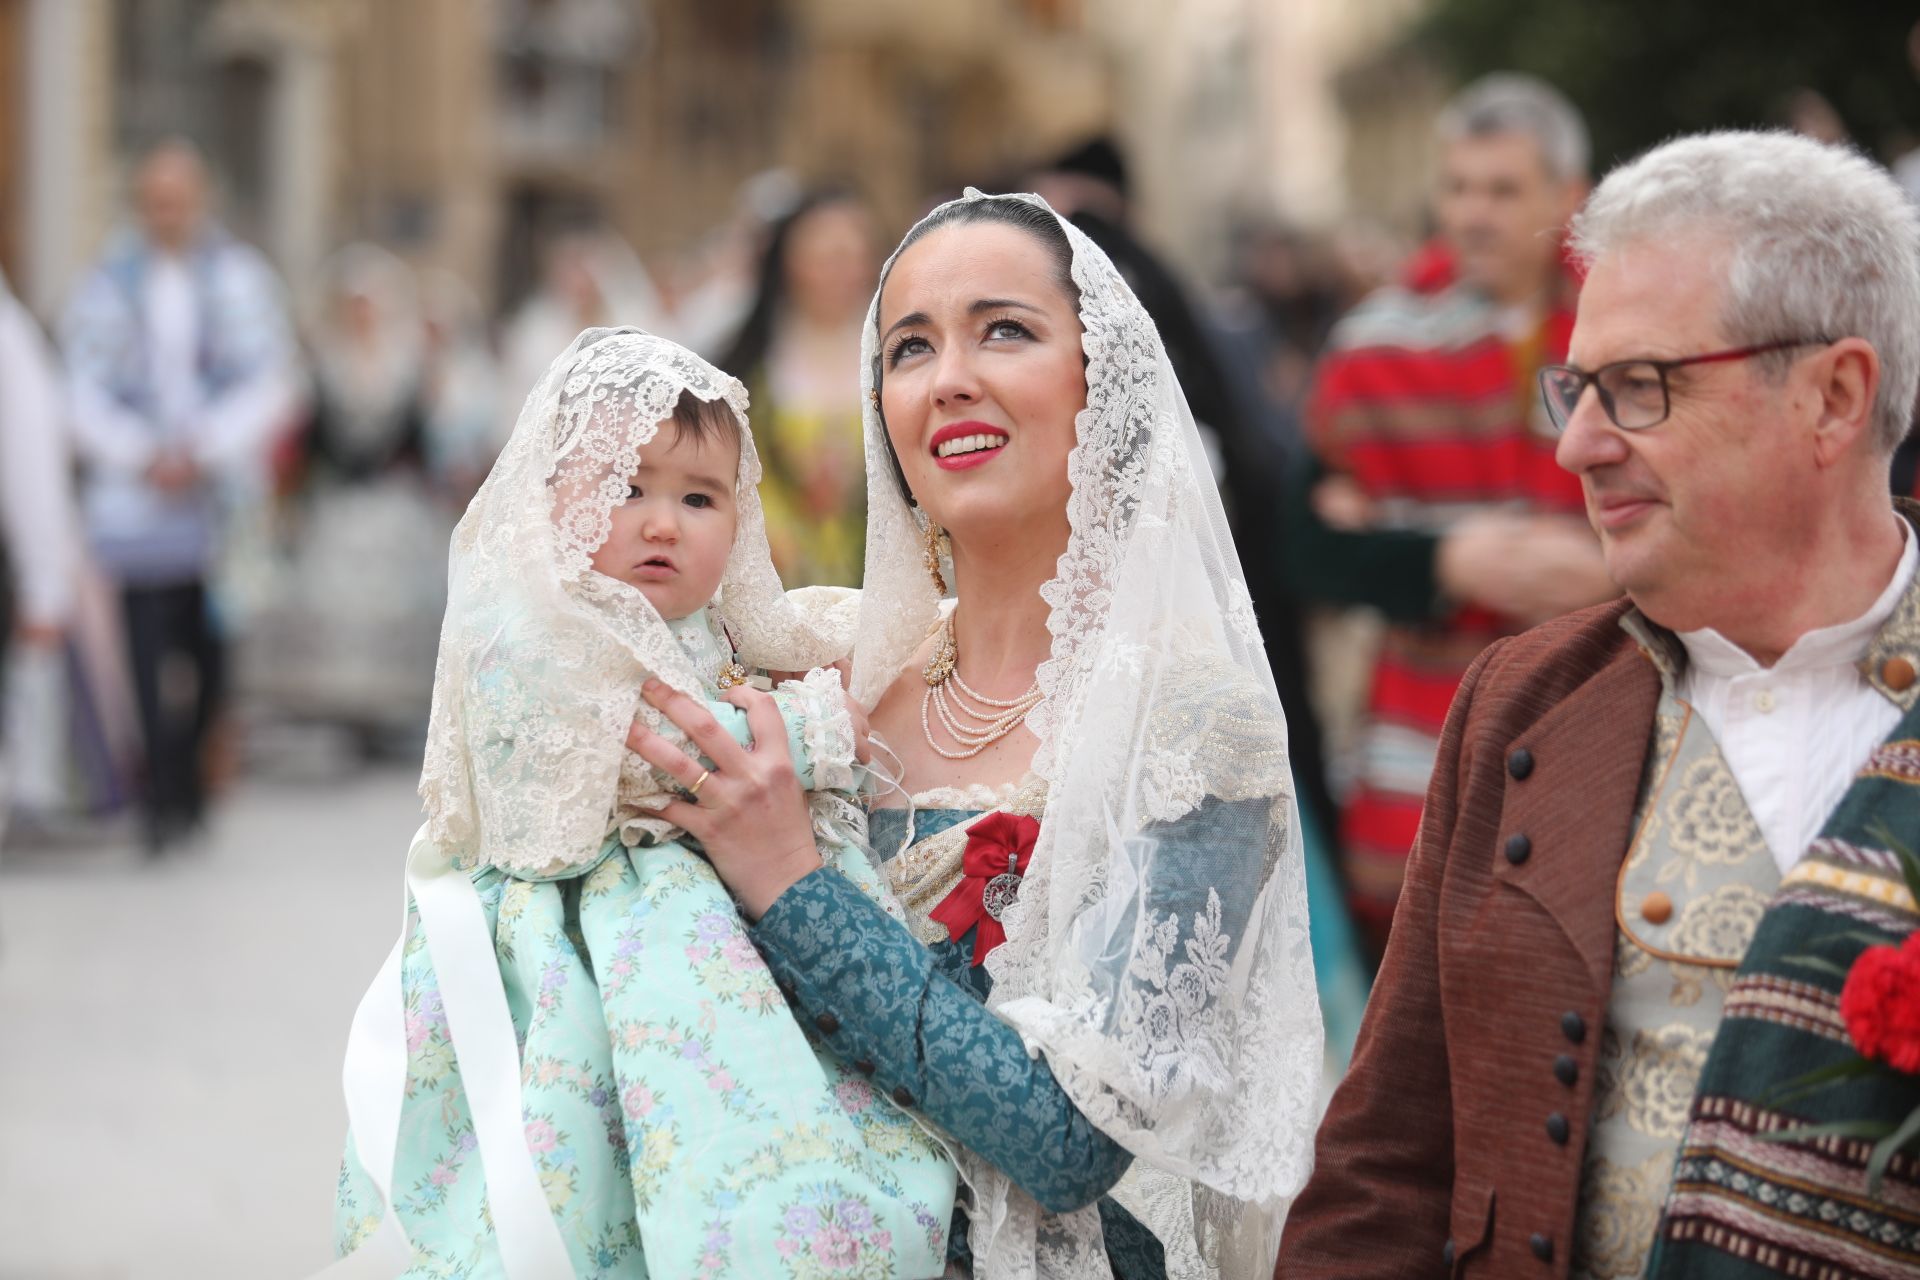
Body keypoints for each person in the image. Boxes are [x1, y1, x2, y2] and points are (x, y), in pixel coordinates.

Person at [629, 192, 1322, 1278]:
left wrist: (793, 884)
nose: (950, 373)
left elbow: (1068, 1137)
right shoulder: (830, 666)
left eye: (1005, 329)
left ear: (1104, 382)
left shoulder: (1192, 723)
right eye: (910, 345)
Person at [1277, 130, 1920, 1278]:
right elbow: (1384, 1172)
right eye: (1575, 386)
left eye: (1639, 388)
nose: (1574, 443)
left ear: (1833, 396)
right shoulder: (1523, 704)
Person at [331, 329, 955, 1277]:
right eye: (627, 488)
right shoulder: (535, 623)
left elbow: (796, 631)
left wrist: (850, 655)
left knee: (788, 1104)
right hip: (590, 932)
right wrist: (818, 727)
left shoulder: (706, 623)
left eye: (699, 499)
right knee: (603, 1123)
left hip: (727, 904)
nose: (662, 523)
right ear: (552, 498)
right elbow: (654, 750)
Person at [1287, 73, 1617, 956]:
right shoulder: (1376, 344)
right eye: (1458, 187)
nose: (1473, 214)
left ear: (1569, 198)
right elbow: (1305, 545)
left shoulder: (1630, 326)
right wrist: (1444, 561)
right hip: (1423, 741)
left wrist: (1613, 574)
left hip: (1603, 722)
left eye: (1503, 190)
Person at [59, 139, 299, 853]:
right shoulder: (105, 282)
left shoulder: (238, 277)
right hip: (138, 502)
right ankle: (157, 796)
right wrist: (138, 452)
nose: (168, 212)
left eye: (179, 198)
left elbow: (272, 379)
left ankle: (194, 780)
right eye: (155, 199)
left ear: (200, 201)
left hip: (216, 502)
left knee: (210, 657)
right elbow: (78, 387)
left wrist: (204, 448)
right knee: (143, 652)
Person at [716, 187, 878, 588]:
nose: (841, 272)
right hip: (770, 570)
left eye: (853, 256)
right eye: (827, 257)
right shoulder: (749, 364)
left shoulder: (895, 355)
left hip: (873, 567)